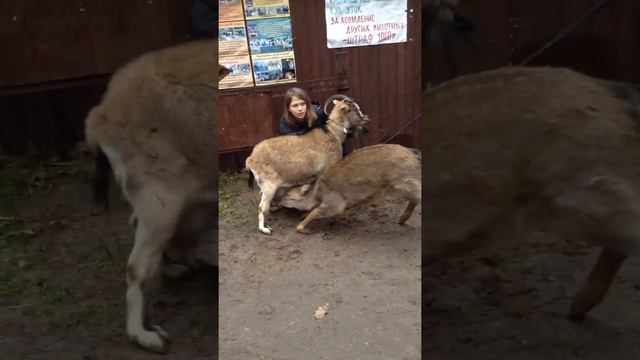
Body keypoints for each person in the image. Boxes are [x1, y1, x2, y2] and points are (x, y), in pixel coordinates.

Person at [277, 87, 352, 156]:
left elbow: (334, 136)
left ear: (307, 104)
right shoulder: (285, 127)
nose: (300, 108)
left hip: (325, 153)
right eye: (295, 105)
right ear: (289, 108)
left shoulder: (319, 114)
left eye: (302, 104)